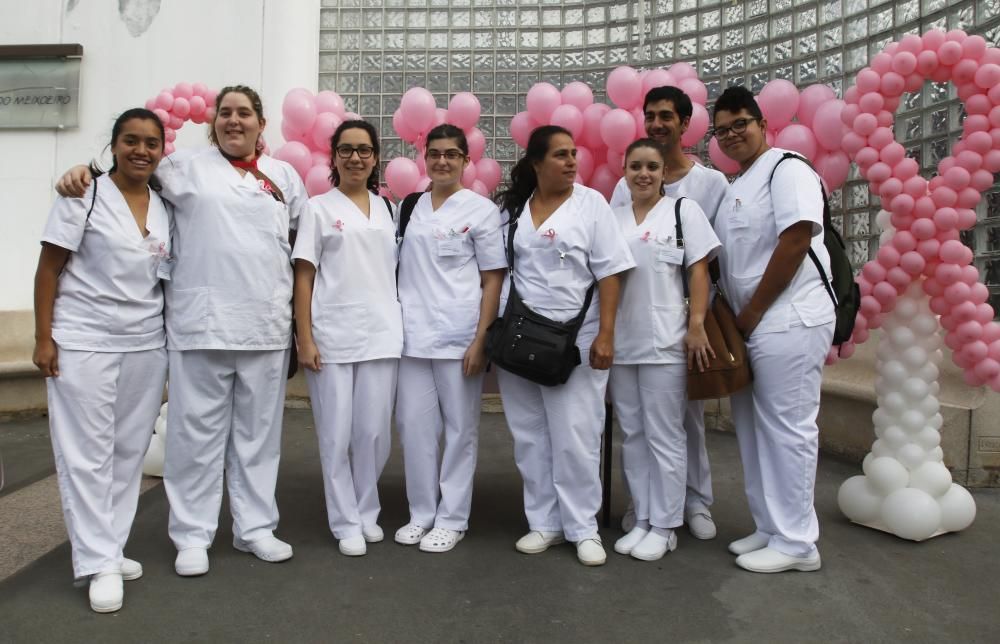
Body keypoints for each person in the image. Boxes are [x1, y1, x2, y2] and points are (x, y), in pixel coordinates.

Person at [56, 85, 309, 577]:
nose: (234, 121)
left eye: (244, 113)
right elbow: (126, 174)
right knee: (195, 438)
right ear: (213, 122)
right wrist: (82, 170)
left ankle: (255, 527)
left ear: (261, 123)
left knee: (259, 437)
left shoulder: (284, 177)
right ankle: (192, 535)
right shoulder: (182, 167)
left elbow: (297, 245)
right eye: (225, 114)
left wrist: (299, 329)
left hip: (265, 326)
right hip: (200, 325)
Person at [34, 108, 170, 613]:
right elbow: (48, 270)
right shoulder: (82, 196)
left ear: (162, 150)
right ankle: (97, 561)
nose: (141, 150)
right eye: (131, 140)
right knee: (86, 454)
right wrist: (43, 337)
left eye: (151, 143)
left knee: (128, 452)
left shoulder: (164, 203)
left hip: (144, 344)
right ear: (113, 145)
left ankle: (109, 545)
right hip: (83, 340)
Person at [494, 125, 635, 567]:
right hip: (521, 336)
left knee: (576, 434)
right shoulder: (515, 209)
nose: (572, 161)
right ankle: (545, 523)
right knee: (530, 434)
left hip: (578, 338)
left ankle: (582, 528)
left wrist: (607, 333)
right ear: (536, 164)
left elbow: (611, 272)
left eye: (574, 153)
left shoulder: (591, 204)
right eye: (560, 155)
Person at [710, 86, 834, 573]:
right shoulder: (737, 182)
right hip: (750, 326)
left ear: (763, 124)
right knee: (753, 429)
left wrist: (753, 312)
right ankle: (769, 525)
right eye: (723, 130)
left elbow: (796, 238)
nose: (733, 134)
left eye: (741, 123)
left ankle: (799, 543)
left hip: (789, 318)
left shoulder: (788, 167)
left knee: (788, 429)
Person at [610, 86, 731, 540]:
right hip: (624, 341)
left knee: (671, 432)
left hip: (670, 337)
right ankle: (641, 514)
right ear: (624, 172)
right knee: (635, 433)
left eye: (651, 167)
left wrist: (697, 324)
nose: (643, 173)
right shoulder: (615, 213)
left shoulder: (689, 204)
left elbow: (702, 269)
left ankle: (670, 520)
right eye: (635, 166)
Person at [393, 124, 506, 553]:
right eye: (435, 153)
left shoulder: (480, 210)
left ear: (465, 160)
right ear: (425, 157)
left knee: (460, 429)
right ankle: (421, 512)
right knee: (414, 427)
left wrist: (482, 339)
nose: (442, 161)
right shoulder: (409, 206)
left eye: (452, 154)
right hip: (411, 336)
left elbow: (493, 279)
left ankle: (453, 517)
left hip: (459, 335)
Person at [292, 120, 402, 557]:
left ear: (376, 157)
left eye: (364, 150)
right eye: (346, 150)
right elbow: (304, 275)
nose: (355, 157)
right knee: (336, 434)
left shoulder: (386, 208)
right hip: (332, 334)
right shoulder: (318, 209)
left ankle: (366, 510)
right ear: (333, 157)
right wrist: (305, 337)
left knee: (374, 432)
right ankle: (344, 521)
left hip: (381, 333)